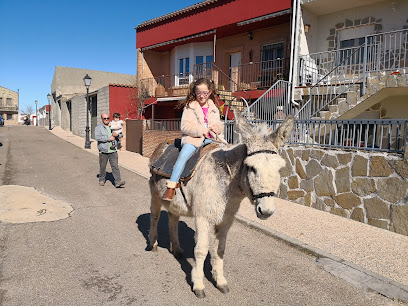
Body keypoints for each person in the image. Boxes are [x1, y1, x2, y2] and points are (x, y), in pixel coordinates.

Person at [162, 78, 224, 201]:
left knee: (227, 156)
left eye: (205, 93)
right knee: (183, 156)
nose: (202, 96)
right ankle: (172, 186)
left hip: (212, 139)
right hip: (193, 139)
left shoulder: (214, 108)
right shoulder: (190, 107)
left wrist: (218, 128)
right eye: (198, 93)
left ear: (210, 92)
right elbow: (184, 127)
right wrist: (202, 130)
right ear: (195, 92)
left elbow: (219, 124)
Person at [95, 113, 125, 188]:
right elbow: (97, 137)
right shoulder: (98, 128)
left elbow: (121, 134)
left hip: (113, 150)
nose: (106, 120)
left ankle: (118, 181)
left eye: (107, 118)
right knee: (103, 167)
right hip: (103, 151)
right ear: (101, 119)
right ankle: (101, 179)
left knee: (115, 166)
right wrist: (109, 138)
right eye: (104, 118)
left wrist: (117, 135)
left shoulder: (113, 126)